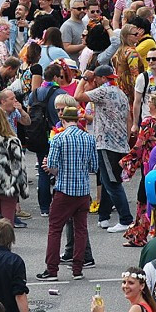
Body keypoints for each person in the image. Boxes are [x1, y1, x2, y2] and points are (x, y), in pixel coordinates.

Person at [38, 105, 98, 281]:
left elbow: (52, 166)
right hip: (83, 191)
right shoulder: (89, 139)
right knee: (81, 229)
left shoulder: (58, 139)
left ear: (63, 120)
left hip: (64, 190)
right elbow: (94, 167)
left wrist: (52, 168)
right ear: (78, 120)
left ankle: (52, 269)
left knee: (55, 229)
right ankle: (77, 269)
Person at [76, 64, 135, 233]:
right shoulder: (121, 93)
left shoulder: (103, 91)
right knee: (107, 179)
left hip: (108, 143)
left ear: (102, 79)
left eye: (96, 79)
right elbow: (128, 118)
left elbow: (77, 96)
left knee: (112, 183)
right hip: (119, 142)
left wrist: (83, 79)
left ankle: (125, 219)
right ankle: (104, 217)